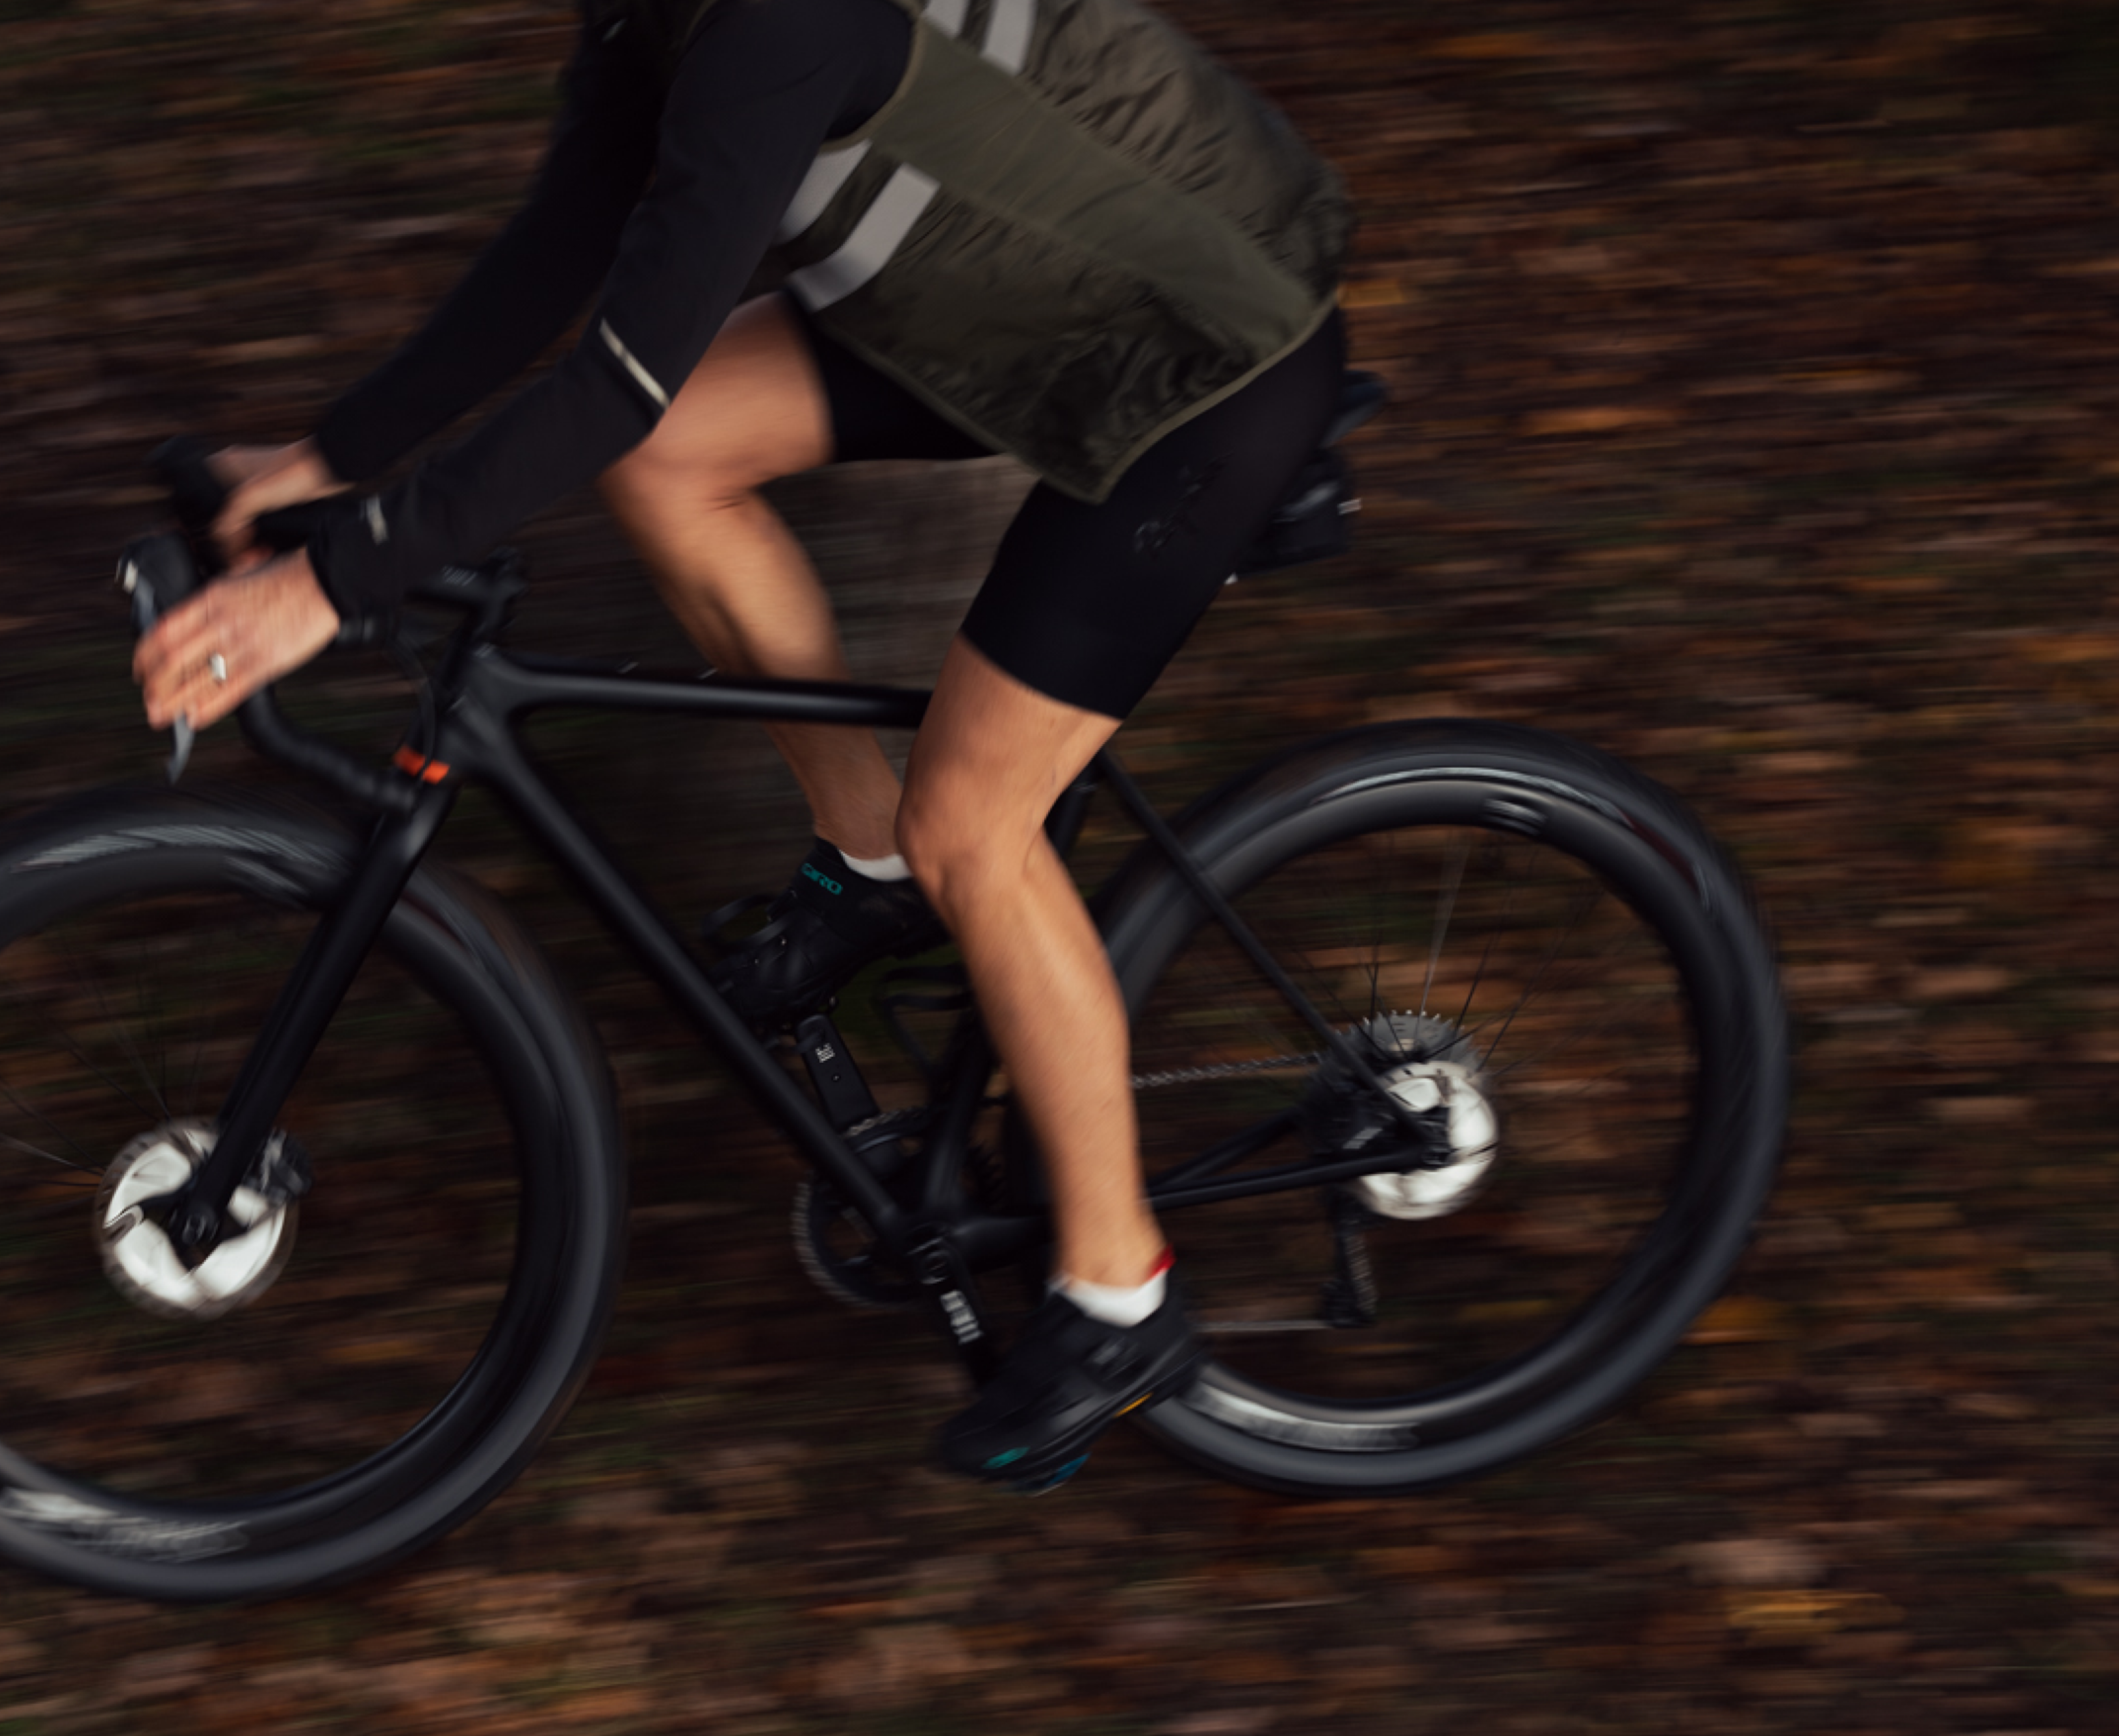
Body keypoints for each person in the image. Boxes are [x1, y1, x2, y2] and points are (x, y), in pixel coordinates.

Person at [133, 0, 1350, 1489]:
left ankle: (1121, 1298)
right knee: (672, 463)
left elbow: (614, 371)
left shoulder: (775, 17)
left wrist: (329, 582)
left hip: (1198, 366)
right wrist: (326, 463)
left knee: (984, 823)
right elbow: (555, 262)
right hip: (1010, 301)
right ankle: (869, 863)